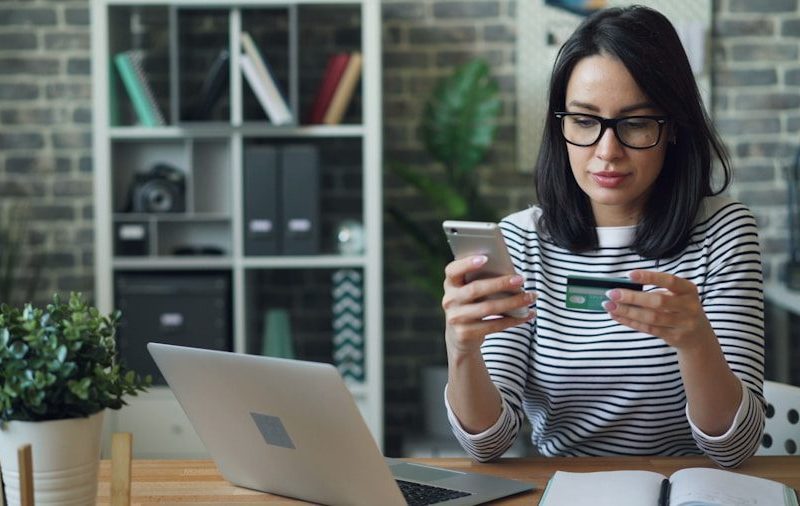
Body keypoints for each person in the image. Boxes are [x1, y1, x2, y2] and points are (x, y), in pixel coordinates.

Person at [441, 5, 764, 468]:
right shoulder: (520, 241)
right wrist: (462, 348)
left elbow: (735, 448)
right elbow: (486, 445)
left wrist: (696, 343)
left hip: (689, 490)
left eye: (635, 123)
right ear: (561, 125)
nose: (607, 152)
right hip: (561, 491)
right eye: (585, 121)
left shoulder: (724, 232)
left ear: (672, 128)